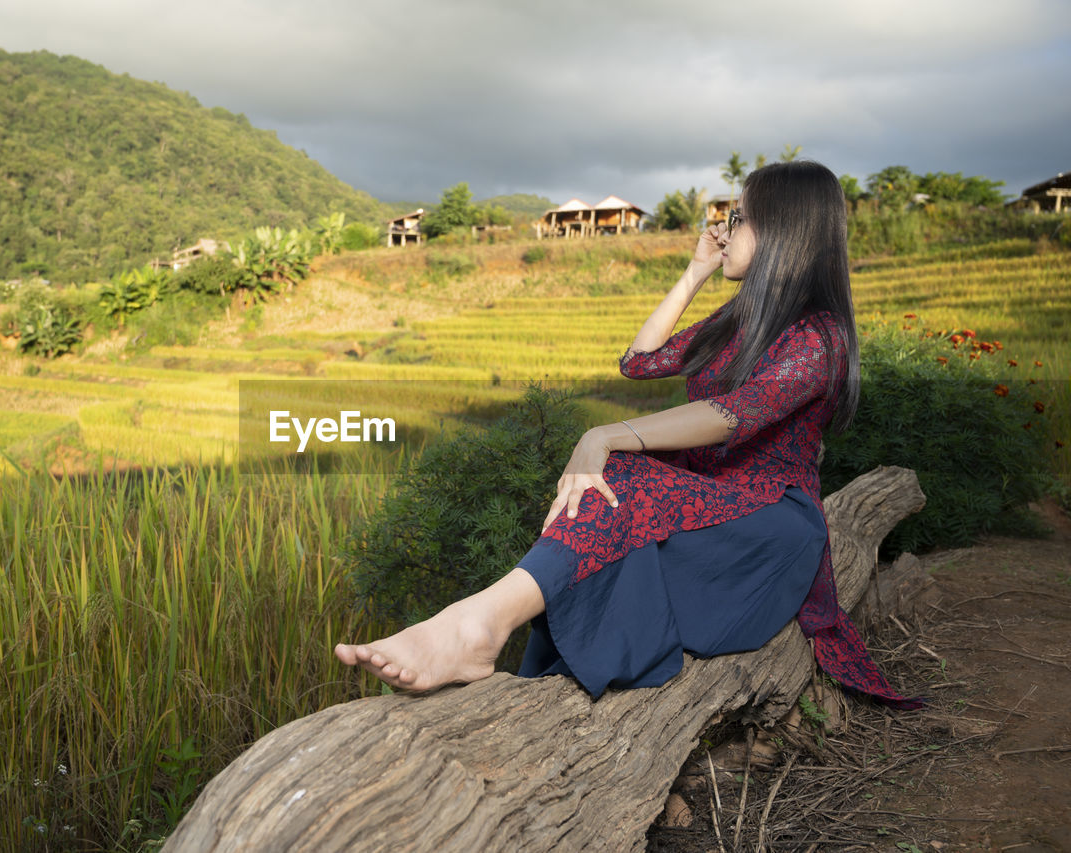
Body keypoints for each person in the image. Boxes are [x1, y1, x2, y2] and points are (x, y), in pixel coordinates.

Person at [335, 160, 919, 709]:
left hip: (765, 526)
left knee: (623, 471)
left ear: (783, 232)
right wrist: (696, 271)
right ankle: (478, 626)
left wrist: (608, 433)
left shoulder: (818, 337)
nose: (725, 227)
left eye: (739, 217)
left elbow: (733, 414)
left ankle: (476, 626)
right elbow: (639, 361)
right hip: (711, 505)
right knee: (616, 479)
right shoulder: (742, 317)